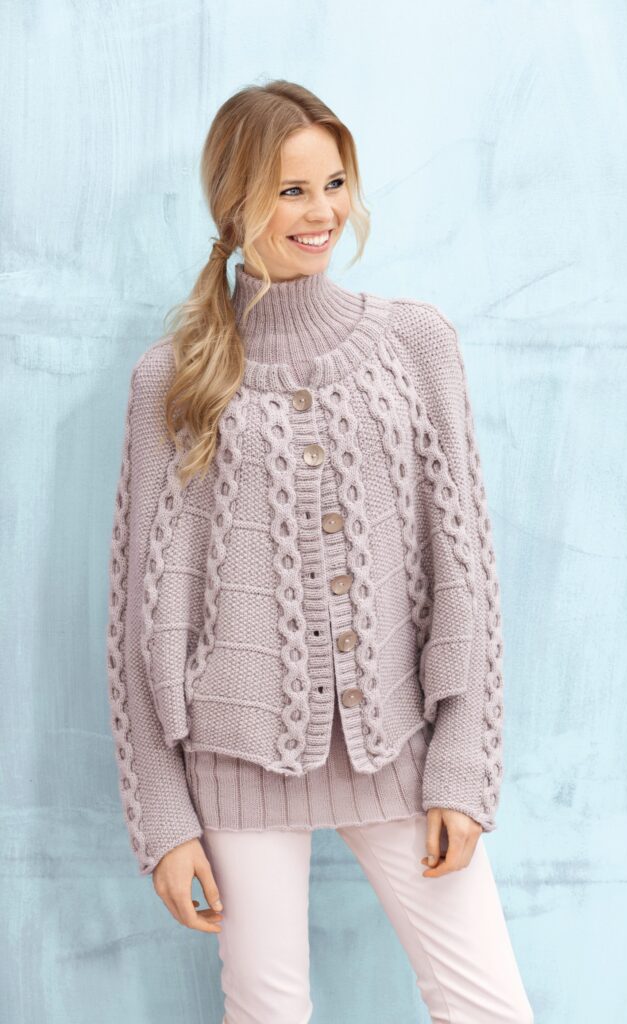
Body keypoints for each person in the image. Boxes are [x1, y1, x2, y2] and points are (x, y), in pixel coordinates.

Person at [106, 79, 534, 1024]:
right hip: (235, 760)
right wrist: (163, 821)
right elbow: (142, 617)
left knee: (488, 1005)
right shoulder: (173, 382)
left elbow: (465, 571)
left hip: (402, 747)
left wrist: (461, 767)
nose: (320, 213)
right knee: (267, 1011)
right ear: (234, 203)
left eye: (333, 184)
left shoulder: (416, 343)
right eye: (289, 190)